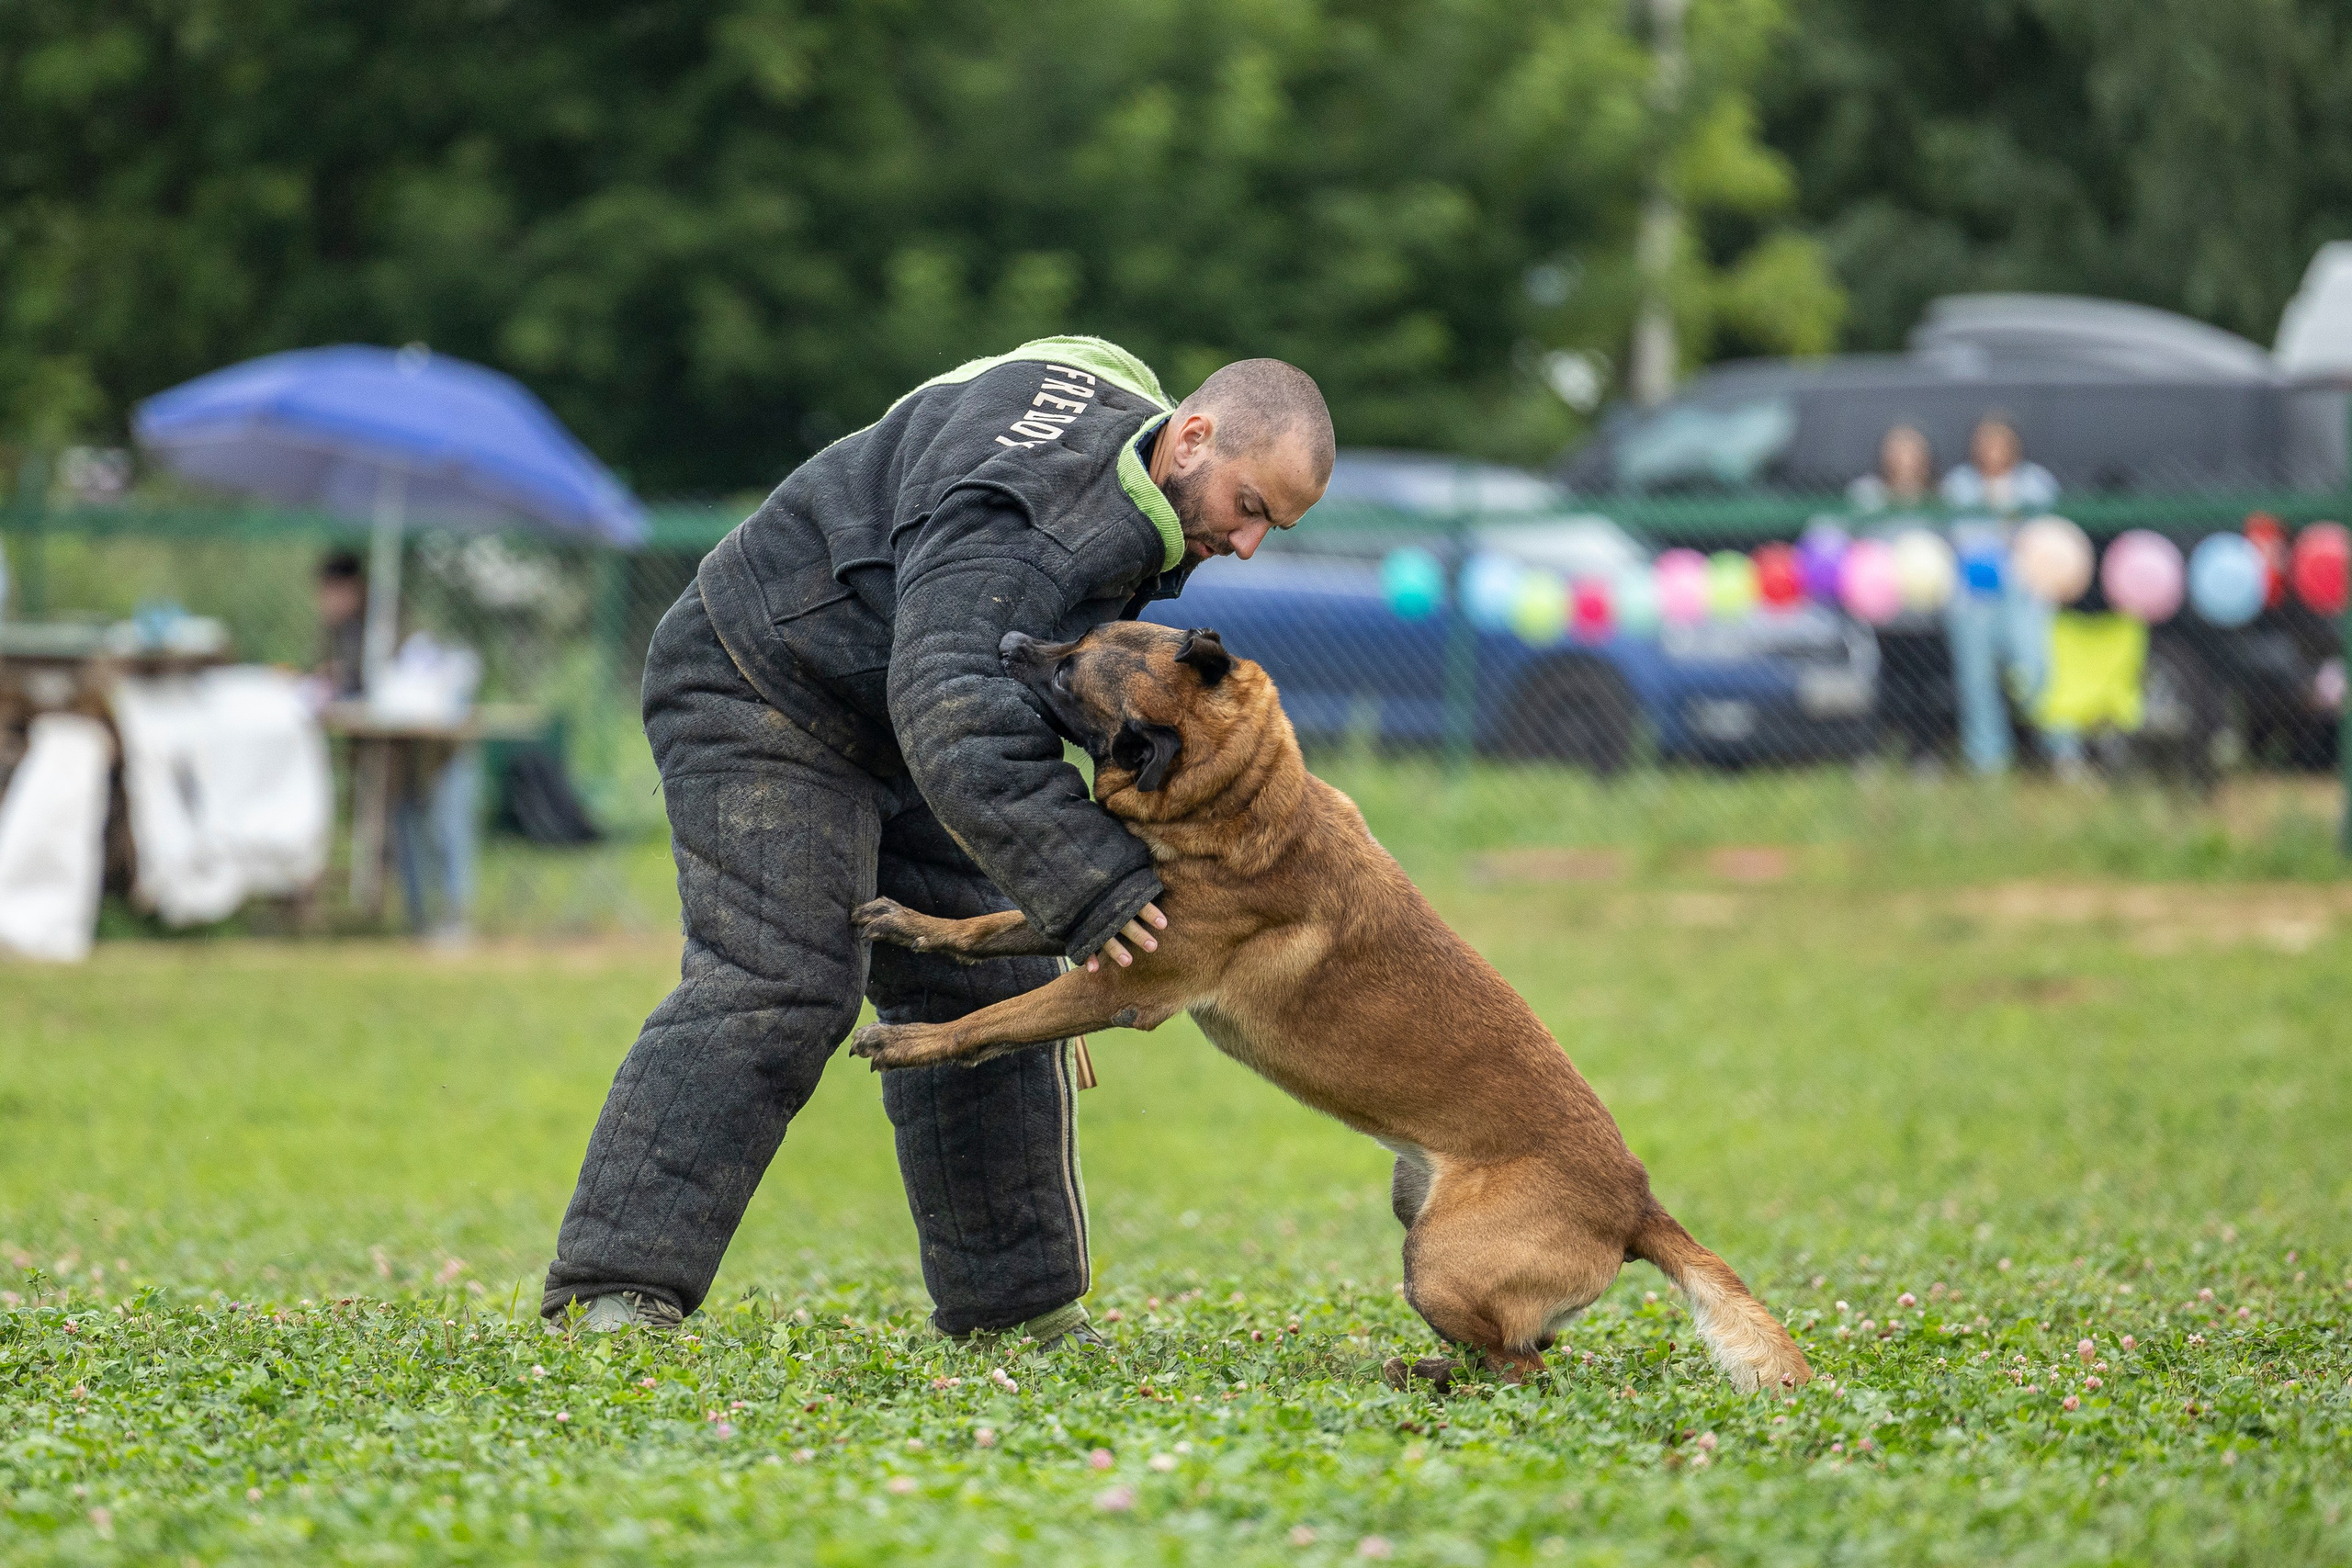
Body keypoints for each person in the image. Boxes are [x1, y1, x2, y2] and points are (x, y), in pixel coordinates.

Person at [541, 338, 1334, 1340]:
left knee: (985, 991)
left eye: (1273, 527)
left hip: (896, 709)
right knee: (783, 977)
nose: (1248, 543)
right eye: (1249, 506)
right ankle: (611, 1288)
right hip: (763, 682)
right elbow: (952, 694)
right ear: (1192, 437)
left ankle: (1016, 1308)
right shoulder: (1040, 519)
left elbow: (1024, 374)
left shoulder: (1126, 448)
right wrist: (1089, 884)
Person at [1939, 415, 2059, 774]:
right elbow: (1960, 538)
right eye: (1985, 442)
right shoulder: (1959, 485)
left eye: (1999, 441)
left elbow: (2043, 536)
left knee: (2036, 669)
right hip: (1972, 597)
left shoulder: (2035, 483)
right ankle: (1987, 759)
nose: (1992, 450)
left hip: (2024, 594)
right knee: (1976, 680)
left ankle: (2058, 750)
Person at [1846, 423, 1934, 513]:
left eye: (1912, 453)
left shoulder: (1941, 495)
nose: (1904, 460)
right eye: (1897, 453)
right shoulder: (1866, 492)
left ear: (1926, 460)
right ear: (1884, 460)